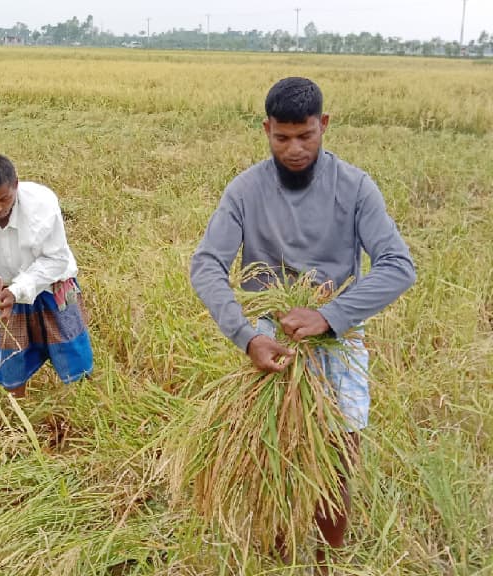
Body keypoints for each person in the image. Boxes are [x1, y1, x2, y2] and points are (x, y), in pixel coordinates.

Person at [189, 77, 416, 572]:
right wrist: (248, 336)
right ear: (266, 129)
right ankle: (277, 550)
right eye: (282, 138)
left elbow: (399, 265)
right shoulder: (245, 190)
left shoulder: (356, 187)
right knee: (271, 453)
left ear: (325, 126)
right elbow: (206, 264)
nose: (295, 149)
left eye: (306, 136)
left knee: (338, 456)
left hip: (338, 335)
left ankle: (326, 562)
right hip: (271, 342)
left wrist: (329, 316)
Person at [0, 154, 93, 399]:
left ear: (15, 184)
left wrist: (19, 289)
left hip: (52, 284)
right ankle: (18, 414)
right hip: (5, 293)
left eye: (3, 198)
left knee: (73, 354)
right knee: (10, 361)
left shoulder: (43, 204)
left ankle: (84, 407)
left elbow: (56, 259)